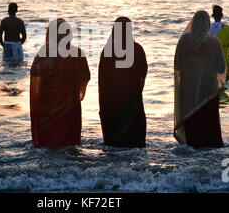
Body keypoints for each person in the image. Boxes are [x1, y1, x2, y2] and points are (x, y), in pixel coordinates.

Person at [30, 18, 90, 149]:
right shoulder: (77, 53)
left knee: (48, 142)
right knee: (69, 145)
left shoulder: (43, 53)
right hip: (69, 102)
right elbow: (85, 76)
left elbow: (35, 75)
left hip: (47, 103)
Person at [174, 10, 226, 148]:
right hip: (208, 93)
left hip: (188, 92)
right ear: (207, 24)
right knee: (209, 128)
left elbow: (177, 66)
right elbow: (221, 68)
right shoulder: (214, 43)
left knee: (192, 129)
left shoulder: (183, 41)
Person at [98, 17, 148, 148]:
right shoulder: (137, 49)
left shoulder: (108, 50)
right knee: (134, 145)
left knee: (114, 146)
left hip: (111, 105)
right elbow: (142, 74)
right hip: (133, 103)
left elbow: (103, 79)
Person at [210, 5, 229, 80]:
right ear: (222, 15)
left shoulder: (207, 28)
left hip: (211, 60)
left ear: (212, 15)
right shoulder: (227, 29)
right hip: (223, 59)